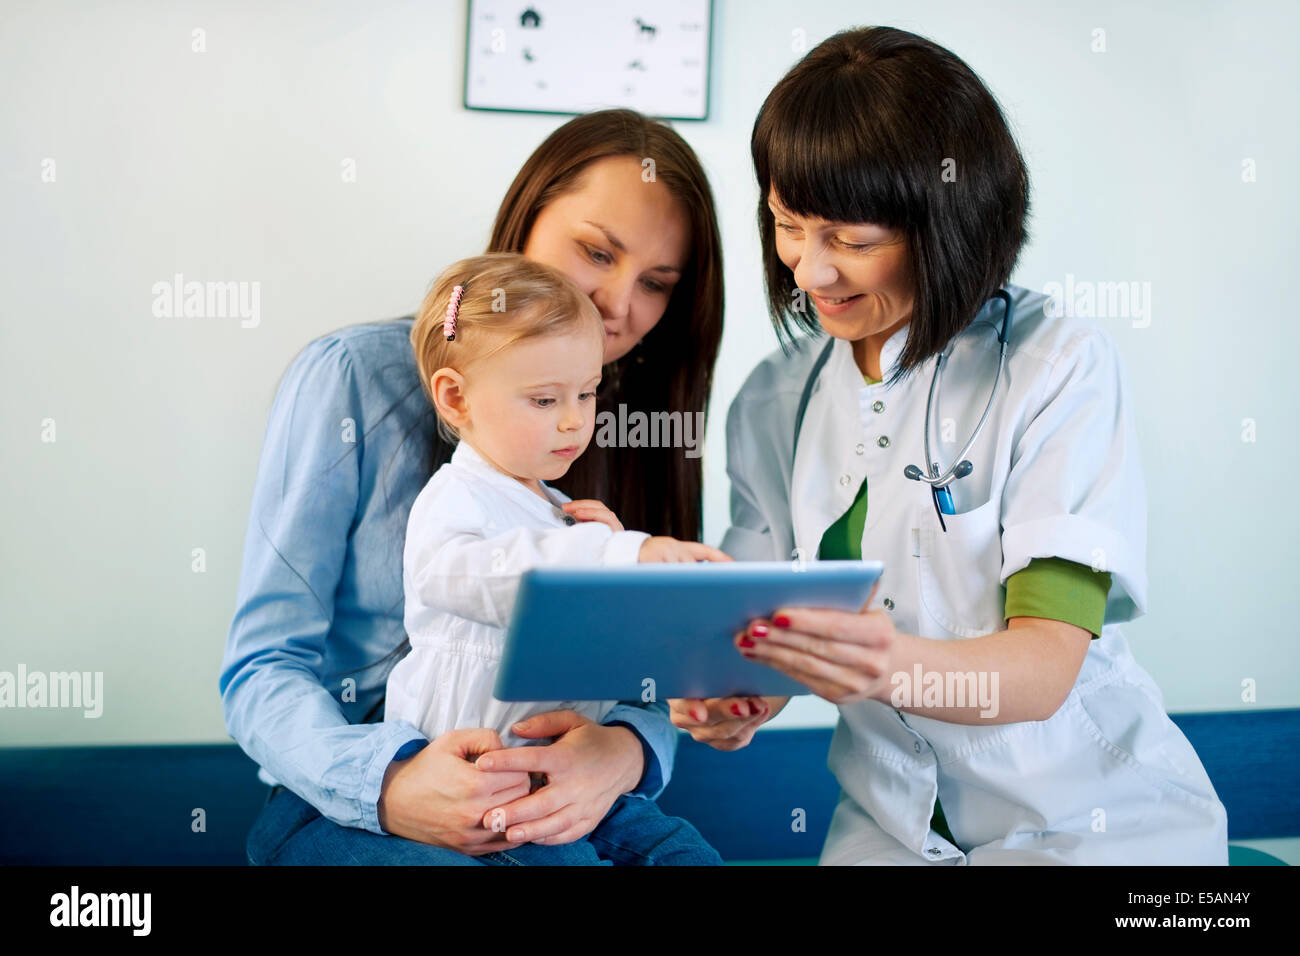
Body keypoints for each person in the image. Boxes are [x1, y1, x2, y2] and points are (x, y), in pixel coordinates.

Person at [673, 26, 1229, 865]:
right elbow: (764, 625)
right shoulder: (774, 398)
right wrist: (740, 694)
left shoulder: (1054, 365)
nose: (809, 272)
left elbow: (1043, 669)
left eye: (853, 242)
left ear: (951, 223)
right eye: (790, 224)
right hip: (884, 829)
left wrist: (875, 665)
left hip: (1087, 825)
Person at [221, 109, 735, 865]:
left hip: (554, 797)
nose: (619, 304)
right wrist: (390, 784)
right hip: (357, 804)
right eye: (597, 251)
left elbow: (641, 678)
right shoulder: (353, 377)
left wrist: (622, 751)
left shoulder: (615, 419)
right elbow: (263, 668)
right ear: (525, 218)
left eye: (656, 283)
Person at [385, 253, 726, 864]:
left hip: (573, 778)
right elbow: (489, 578)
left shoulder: (565, 513)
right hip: (488, 785)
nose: (574, 421)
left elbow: (594, 633)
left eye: (588, 392)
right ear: (456, 398)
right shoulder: (452, 501)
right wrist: (614, 557)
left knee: (686, 852)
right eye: (544, 400)